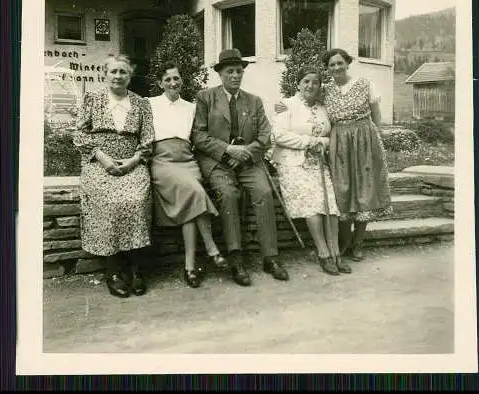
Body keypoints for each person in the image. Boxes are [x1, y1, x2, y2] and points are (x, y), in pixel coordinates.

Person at [275, 48, 392, 261]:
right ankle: (344, 242)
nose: (336, 67)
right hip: (339, 144)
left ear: (347, 63)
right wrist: (283, 104)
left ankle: (358, 243)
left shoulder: (365, 84)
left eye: (340, 63)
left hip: (365, 140)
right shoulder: (325, 90)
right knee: (342, 191)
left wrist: (377, 143)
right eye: (331, 65)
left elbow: (376, 117)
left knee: (364, 190)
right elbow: (304, 98)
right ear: (327, 69)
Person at [191, 48, 289, 287]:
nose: (235, 75)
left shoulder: (253, 101)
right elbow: (198, 135)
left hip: (247, 160)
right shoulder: (206, 98)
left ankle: (270, 256)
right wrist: (227, 150)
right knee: (228, 195)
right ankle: (236, 258)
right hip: (217, 161)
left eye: (238, 71)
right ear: (220, 74)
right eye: (229, 71)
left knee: (264, 192)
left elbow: (266, 134)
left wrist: (246, 152)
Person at [73, 54, 154, 298]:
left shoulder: (142, 104)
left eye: (123, 72)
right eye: (113, 72)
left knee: (137, 201)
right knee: (108, 202)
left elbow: (148, 140)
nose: (118, 76)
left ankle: (135, 268)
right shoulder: (92, 99)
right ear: (105, 74)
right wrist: (101, 157)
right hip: (99, 163)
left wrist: (132, 161)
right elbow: (79, 135)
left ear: (130, 76)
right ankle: (113, 270)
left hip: (132, 163)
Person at [148, 61, 228, 289]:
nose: (173, 83)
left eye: (176, 78)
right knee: (194, 191)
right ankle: (212, 249)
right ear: (160, 83)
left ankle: (190, 267)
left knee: (190, 208)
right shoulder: (149, 104)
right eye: (168, 79)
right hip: (163, 162)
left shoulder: (191, 107)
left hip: (187, 160)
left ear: (182, 80)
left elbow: (213, 126)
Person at [271, 66, 352, 275]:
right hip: (292, 163)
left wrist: (322, 143)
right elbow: (278, 135)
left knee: (331, 204)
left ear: (319, 86)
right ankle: (323, 253)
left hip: (317, 162)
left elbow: (332, 134)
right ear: (298, 83)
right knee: (313, 202)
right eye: (306, 81)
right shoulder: (286, 105)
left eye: (315, 82)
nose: (310, 86)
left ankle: (336, 253)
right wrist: (309, 141)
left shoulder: (324, 108)